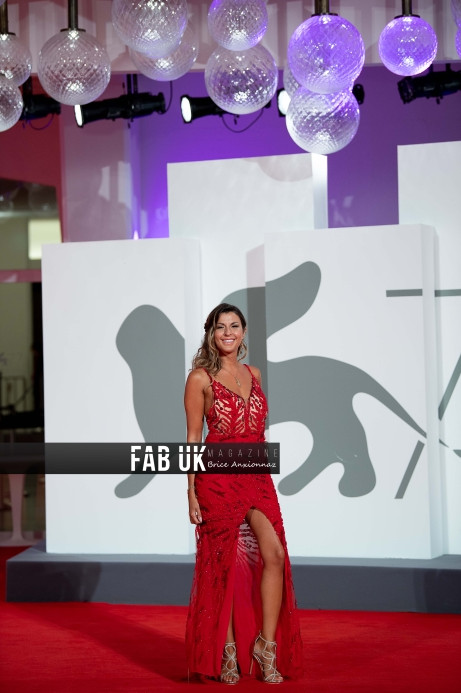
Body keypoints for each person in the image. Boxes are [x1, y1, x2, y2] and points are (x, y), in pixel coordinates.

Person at [184, 303, 303, 684]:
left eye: (234, 326)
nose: (228, 333)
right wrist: (190, 491)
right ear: (211, 334)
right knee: (223, 567)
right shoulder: (199, 378)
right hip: (216, 479)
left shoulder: (254, 373)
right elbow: (192, 438)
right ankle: (228, 652)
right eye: (220, 327)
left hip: (255, 475)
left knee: (274, 553)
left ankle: (265, 648)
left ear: (244, 331)